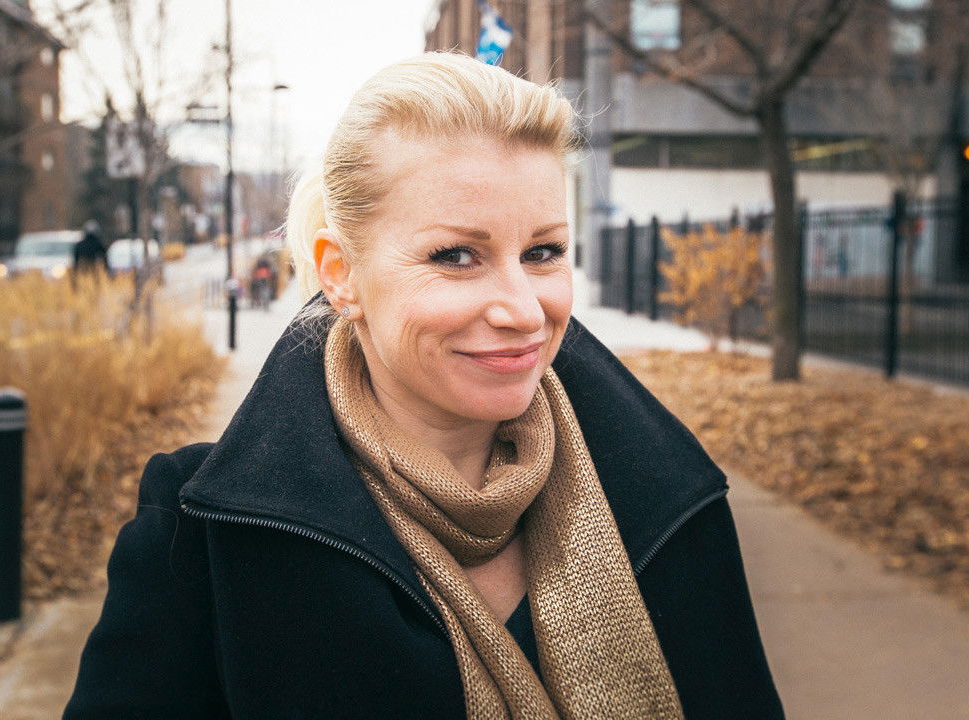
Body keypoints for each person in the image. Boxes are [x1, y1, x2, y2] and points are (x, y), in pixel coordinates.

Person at [65, 53, 784, 719]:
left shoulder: (668, 500)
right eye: (457, 256)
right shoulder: (201, 536)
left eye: (543, 251)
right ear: (342, 274)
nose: (523, 311)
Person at [72, 220, 108, 288]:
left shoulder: (80, 245)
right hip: (94, 270)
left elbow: (75, 261)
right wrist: (106, 269)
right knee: (95, 286)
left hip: (83, 270)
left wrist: (75, 271)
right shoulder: (98, 244)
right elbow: (104, 258)